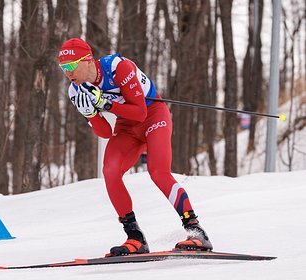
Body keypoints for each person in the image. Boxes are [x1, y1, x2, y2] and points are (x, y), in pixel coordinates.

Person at [58, 38, 212, 256]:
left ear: (89, 61)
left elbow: (139, 112)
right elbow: (105, 132)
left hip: (152, 115)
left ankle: (196, 231)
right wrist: (91, 114)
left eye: (71, 66)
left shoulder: (117, 67)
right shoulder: (76, 91)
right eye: (63, 67)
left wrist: (106, 103)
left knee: (158, 172)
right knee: (110, 171)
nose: (67, 72)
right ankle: (135, 237)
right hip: (127, 126)